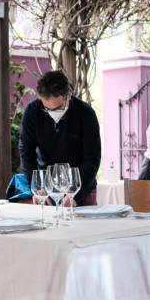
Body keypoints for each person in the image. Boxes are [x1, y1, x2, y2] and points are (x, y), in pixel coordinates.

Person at [19, 70, 101, 206]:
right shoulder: (32, 112)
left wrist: (75, 195)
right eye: (47, 109)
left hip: (82, 186)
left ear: (68, 95)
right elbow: (26, 152)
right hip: (46, 187)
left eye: (57, 108)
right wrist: (37, 188)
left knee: (85, 226)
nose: (52, 113)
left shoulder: (86, 114)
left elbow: (92, 158)